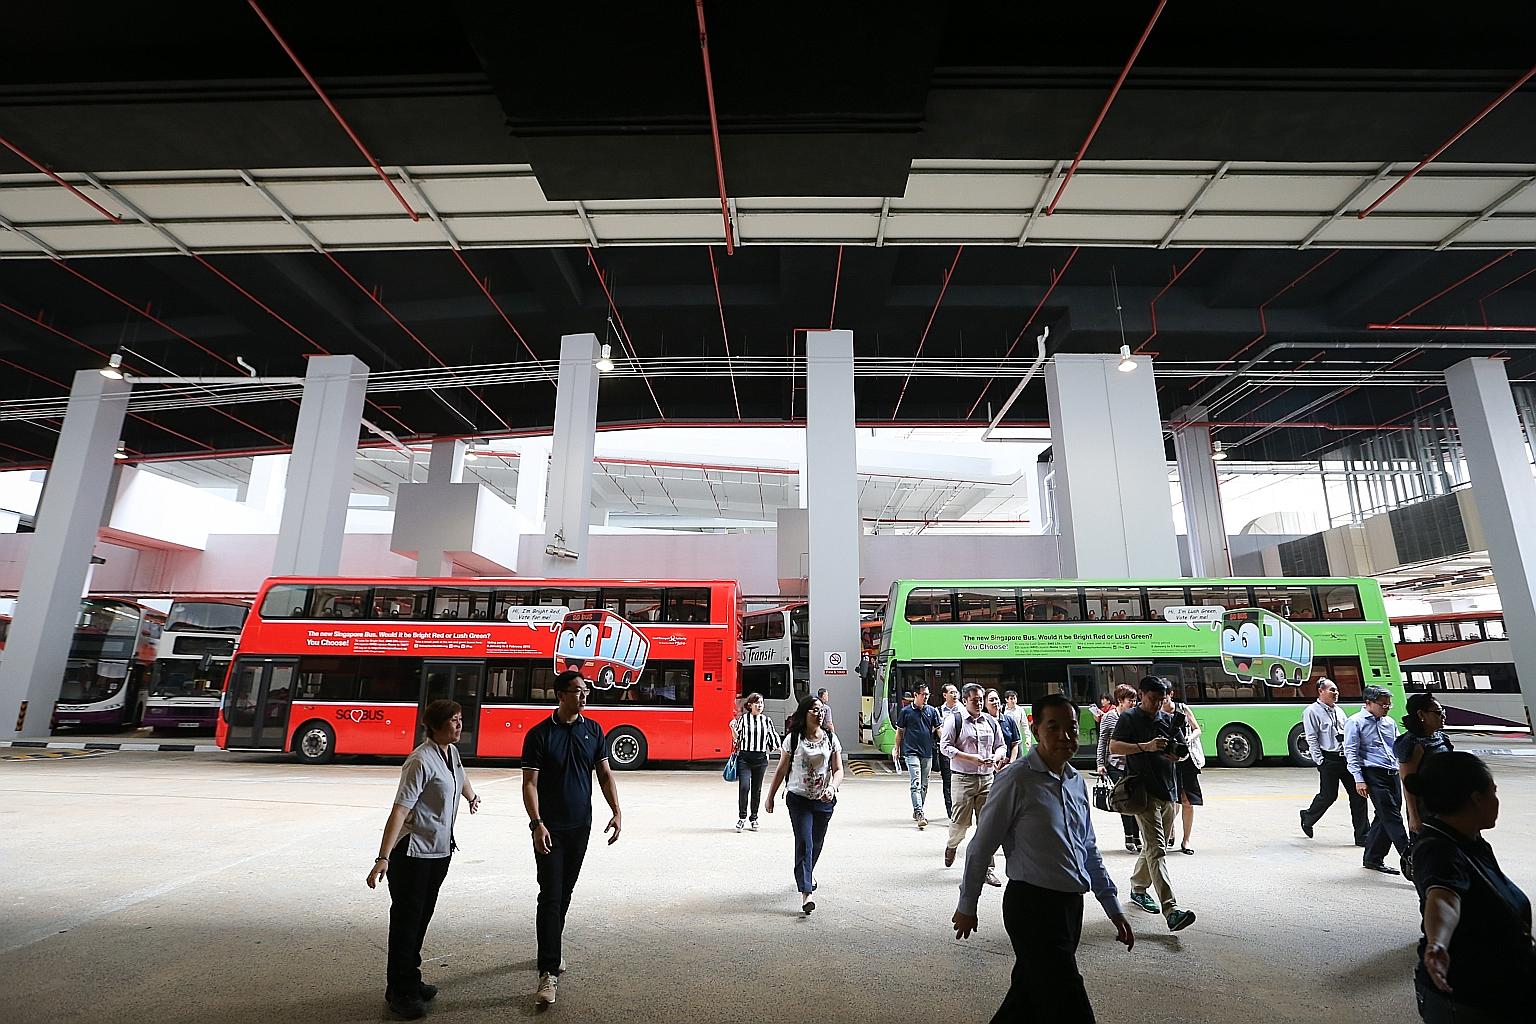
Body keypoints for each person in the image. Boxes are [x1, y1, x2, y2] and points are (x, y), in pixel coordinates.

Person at [952, 694, 1136, 1024]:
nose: (1065, 736)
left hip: (1069, 907)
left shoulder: (1075, 781)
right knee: (1068, 999)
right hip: (1032, 907)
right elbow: (981, 846)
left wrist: (1112, 906)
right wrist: (968, 905)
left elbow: (1088, 849)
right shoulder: (1017, 779)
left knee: (1029, 996)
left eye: (1072, 728)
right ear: (1036, 730)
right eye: (1054, 727)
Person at [366, 700, 481, 1020]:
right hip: (412, 854)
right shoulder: (419, 761)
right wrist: (383, 857)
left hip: (439, 852)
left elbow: (460, 776)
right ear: (434, 725)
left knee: (421, 919)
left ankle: (410, 979)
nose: (459, 725)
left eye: (460, 720)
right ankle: (399, 991)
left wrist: (471, 796)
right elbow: (400, 809)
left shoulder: (451, 753)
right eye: (453, 721)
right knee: (406, 923)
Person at [522, 670, 623, 1007]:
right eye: (578, 691)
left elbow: (605, 775)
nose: (584, 696)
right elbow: (529, 784)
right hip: (549, 828)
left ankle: (551, 946)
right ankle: (547, 971)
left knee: (564, 892)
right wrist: (536, 824)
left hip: (581, 827)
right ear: (560, 695)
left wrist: (616, 811)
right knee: (550, 894)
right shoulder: (539, 735)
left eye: (586, 691)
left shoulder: (593, 730)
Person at [1407, 752, 1532, 1022]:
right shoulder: (1439, 850)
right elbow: (1443, 896)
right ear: (1476, 798)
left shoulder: (1468, 839)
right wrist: (1437, 943)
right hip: (1468, 999)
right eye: (1493, 792)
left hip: (1498, 987)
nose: (1497, 801)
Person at [1109, 676, 1196, 932]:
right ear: (1141, 695)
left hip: (1168, 792)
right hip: (1142, 794)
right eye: (1153, 699)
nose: (1158, 704)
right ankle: (1171, 909)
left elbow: (1183, 752)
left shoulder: (1169, 720)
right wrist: (1145, 747)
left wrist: (1177, 754)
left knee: (1152, 847)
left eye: (1162, 699)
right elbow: (1115, 746)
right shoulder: (1129, 718)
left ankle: (1138, 887)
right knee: (1158, 849)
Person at [765, 694, 844, 913]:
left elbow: (838, 770)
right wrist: (770, 796)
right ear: (805, 713)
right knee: (805, 842)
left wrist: (832, 787)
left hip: (824, 799)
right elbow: (781, 768)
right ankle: (806, 893)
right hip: (798, 798)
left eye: (821, 711)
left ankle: (806, 873)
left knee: (817, 843)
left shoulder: (830, 738)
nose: (819, 714)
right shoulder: (793, 739)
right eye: (814, 710)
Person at [941, 683, 1006, 887]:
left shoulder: (990, 721)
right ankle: (952, 845)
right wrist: (970, 757)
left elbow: (1001, 745)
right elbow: (945, 747)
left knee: (987, 825)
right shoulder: (956, 720)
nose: (978, 703)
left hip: (987, 779)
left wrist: (996, 757)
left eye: (980, 699)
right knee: (960, 823)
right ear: (966, 700)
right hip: (962, 778)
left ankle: (988, 869)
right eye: (974, 700)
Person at [1346, 684, 1411, 876]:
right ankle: (1411, 858)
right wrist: (1359, 779)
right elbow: (1351, 752)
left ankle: (1373, 858)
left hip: (1392, 773)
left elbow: (1397, 746)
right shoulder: (1355, 722)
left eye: (1389, 704)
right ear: (1368, 703)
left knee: (1385, 816)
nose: (1387, 707)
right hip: (1373, 774)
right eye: (1383, 704)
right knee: (1392, 817)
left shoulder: (1389, 722)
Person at [1299, 677, 1370, 846]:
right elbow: (1312, 737)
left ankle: (1362, 836)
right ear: (1320, 691)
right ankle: (1308, 817)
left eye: (1336, 690)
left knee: (1358, 795)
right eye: (1332, 690)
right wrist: (1320, 760)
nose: (1336, 693)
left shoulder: (1339, 710)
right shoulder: (1311, 711)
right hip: (1329, 759)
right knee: (1329, 795)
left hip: (1346, 759)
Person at [1096, 684, 1141, 854]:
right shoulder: (1109, 717)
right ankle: (1129, 835)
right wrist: (1100, 763)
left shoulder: (1135, 716)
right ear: (1120, 701)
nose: (1133, 703)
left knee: (1137, 800)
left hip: (1134, 764)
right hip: (1115, 765)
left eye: (1135, 700)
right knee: (1124, 800)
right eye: (1131, 700)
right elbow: (1103, 741)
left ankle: (1137, 836)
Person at [892, 682, 942, 829]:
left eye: (927, 694)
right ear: (915, 695)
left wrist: (945, 743)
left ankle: (918, 809)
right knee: (916, 783)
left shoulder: (932, 711)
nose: (926, 697)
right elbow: (899, 732)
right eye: (923, 694)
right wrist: (897, 748)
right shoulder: (906, 712)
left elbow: (938, 729)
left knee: (925, 785)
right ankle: (919, 811)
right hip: (911, 752)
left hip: (927, 752)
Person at [731, 692, 779, 832]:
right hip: (745, 758)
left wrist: (782, 750)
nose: (759, 705)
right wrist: (732, 728)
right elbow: (737, 738)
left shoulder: (766, 720)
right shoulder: (744, 719)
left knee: (756, 790)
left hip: (761, 759)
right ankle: (742, 817)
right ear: (750, 705)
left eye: (761, 703)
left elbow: (773, 738)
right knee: (744, 787)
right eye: (757, 703)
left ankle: (754, 818)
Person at [1163, 692, 1203, 855]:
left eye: (1165, 695)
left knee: (1187, 800)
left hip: (1187, 759)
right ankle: (1168, 833)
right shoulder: (1156, 711)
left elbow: (1197, 729)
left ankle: (1186, 840)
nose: (1162, 698)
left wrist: (1189, 738)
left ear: (1171, 694)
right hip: (1168, 760)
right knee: (1171, 801)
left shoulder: (1182, 708)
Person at [933, 683, 961, 820]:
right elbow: (938, 729)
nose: (955, 695)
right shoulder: (938, 711)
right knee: (948, 782)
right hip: (946, 752)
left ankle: (961, 809)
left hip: (962, 752)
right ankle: (951, 813)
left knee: (962, 781)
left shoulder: (963, 710)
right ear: (945, 695)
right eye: (952, 692)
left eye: (956, 692)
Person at [987, 689, 1022, 763]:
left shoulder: (1009, 720)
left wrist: (1010, 764)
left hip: (1009, 764)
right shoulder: (983, 722)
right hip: (990, 766)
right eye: (991, 700)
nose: (995, 702)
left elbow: (1015, 744)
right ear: (985, 704)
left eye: (996, 699)